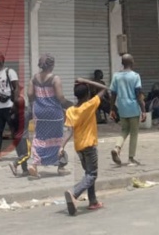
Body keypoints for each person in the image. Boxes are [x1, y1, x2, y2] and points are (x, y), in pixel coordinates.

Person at [61, 78, 108, 216]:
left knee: (88, 173)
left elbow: (69, 131)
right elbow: (104, 88)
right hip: (90, 145)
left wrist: (61, 147)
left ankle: (93, 201)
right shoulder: (90, 104)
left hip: (79, 147)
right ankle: (74, 193)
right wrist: (86, 81)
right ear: (87, 94)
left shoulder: (70, 111)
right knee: (92, 174)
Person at [27, 54, 72, 178]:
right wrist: (70, 105)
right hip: (54, 113)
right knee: (57, 138)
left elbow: (30, 94)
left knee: (39, 137)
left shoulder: (34, 78)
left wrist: (37, 103)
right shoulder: (55, 79)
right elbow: (60, 97)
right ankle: (61, 166)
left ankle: (34, 164)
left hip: (39, 112)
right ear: (52, 65)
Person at [109, 54, 146, 166]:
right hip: (133, 107)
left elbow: (113, 94)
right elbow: (138, 94)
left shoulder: (116, 76)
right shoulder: (135, 76)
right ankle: (131, 159)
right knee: (134, 133)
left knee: (124, 130)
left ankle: (117, 148)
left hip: (122, 108)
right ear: (132, 62)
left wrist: (112, 109)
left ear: (122, 63)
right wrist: (143, 110)